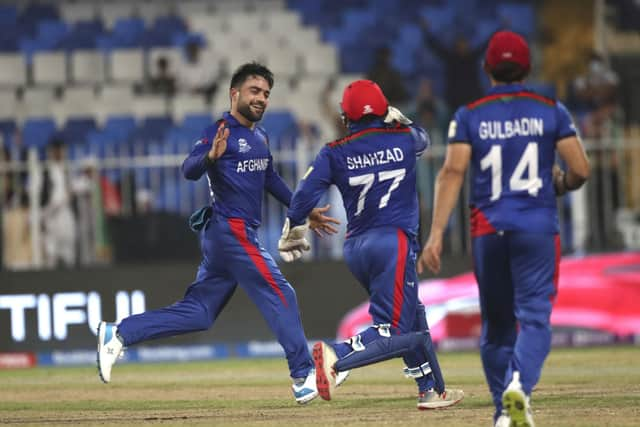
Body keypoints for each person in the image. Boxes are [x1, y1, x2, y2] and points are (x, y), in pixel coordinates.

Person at [97, 62, 340, 404]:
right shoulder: (218, 131)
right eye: (255, 91)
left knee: (200, 313)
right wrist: (210, 156)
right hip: (231, 230)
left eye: (266, 94)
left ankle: (119, 333)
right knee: (281, 292)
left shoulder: (260, 136)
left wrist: (302, 210)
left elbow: (269, 178)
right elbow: (188, 169)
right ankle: (302, 376)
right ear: (234, 93)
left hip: (231, 236)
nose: (261, 99)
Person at [418, 31, 590, 427]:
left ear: (486, 68)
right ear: (527, 68)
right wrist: (560, 184)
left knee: (496, 328)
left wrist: (437, 233)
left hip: (488, 229)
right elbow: (580, 169)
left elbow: (453, 171)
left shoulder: (469, 114)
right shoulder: (551, 110)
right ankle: (519, 389)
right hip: (536, 228)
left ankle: (504, 413)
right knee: (534, 320)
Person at [278, 79, 464, 410]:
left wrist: (296, 225)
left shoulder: (333, 152)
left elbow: (302, 198)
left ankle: (432, 390)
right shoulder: (406, 138)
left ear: (345, 116)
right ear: (384, 108)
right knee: (392, 329)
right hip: (394, 241)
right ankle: (337, 355)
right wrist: (401, 120)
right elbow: (422, 138)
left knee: (413, 315)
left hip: (356, 248)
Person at [41, 138, 76, 268]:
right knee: (51, 252)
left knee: (68, 249)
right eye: (56, 151)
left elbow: (73, 188)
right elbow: (41, 195)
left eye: (61, 151)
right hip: (50, 214)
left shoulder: (68, 169)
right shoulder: (45, 171)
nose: (60, 154)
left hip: (65, 213)